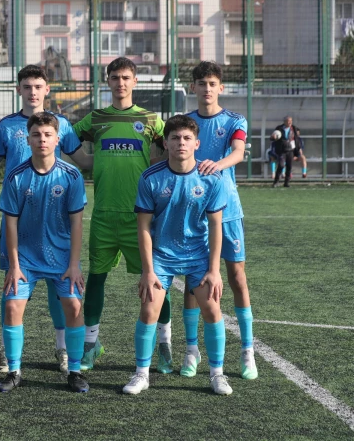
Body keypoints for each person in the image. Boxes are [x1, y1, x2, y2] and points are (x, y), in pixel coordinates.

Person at [0, 64, 92, 374]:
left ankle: (63, 348)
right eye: (27, 86)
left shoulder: (61, 124)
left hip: (55, 219)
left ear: (47, 89)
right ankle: (6, 350)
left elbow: (82, 160)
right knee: (12, 284)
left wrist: (123, 158)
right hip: (18, 218)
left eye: (38, 86)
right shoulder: (6, 126)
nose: (33, 92)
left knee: (60, 289)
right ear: (19, 90)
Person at [123, 114, 232, 396]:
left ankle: (217, 374)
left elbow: (216, 226)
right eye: (175, 138)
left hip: (197, 255)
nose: (180, 143)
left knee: (212, 309)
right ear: (166, 143)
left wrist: (214, 270)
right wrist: (148, 271)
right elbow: (143, 227)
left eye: (186, 138)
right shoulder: (150, 177)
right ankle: (141, 374)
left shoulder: (211, 178)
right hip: (161, 256)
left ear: (196, 143)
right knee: (149, 310)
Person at [72, 57, 167, 371]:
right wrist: (86, 162)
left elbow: (173, 146)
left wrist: (156, 168)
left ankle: (164, 344)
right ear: (108, 81)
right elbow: (67, 138)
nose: (120, 83)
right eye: (115, 77)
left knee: (154, 281)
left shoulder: (150, 119)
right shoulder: (96, 119)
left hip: (140, 216)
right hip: (103, 214)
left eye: (126, 77)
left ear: (135, 81)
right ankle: (90, 345)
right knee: (96, 279)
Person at [0, 113, 89, 393]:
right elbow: (10, 223)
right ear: (28, 139)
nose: (42, 140)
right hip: (25, 258)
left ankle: (75, 371)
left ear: (57, 139)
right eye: (36, 135)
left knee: (74, 307)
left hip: (61, 258)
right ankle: (14, 371)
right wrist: (14, 265)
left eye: (48, 135)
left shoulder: (71, 175)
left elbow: (77, 223)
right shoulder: (16, 176)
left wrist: (74, 264)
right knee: (12, 306)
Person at [185, 61, 257, 380]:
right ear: (193, 87)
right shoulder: (186, 122)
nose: (207, 88)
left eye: (212, 83)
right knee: (193, 282)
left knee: (237, 277)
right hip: (192, 212)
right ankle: (191, 350)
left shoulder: (234, 120)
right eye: (201, 83)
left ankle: (247, 351)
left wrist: (218, 164)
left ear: (221, 87)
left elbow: (239, 152)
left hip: (227, 211)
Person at [271, 116, 305, 186]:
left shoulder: (293, 128)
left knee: (289, 166)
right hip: (282, 151)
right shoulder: (279, 128)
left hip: (290, 150)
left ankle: (286, 183)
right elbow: (272, 138)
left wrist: (298, 149)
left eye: (291, 121)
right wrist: (273, 137)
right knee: (281, 165)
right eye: (288, 121)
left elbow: (296, 139)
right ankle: (276, 182)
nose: (290, 122)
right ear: (284, 122)